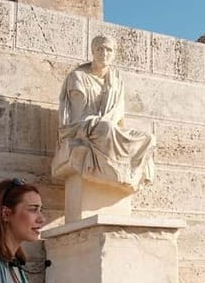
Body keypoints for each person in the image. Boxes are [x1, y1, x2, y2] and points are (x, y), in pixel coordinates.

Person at [51, 35, 155, 189]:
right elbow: (77, 117)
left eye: (109, 50)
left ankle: (130, 170)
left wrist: (109, 123)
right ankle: (116, 168)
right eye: (100, 49)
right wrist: (100, 122)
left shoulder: (116, 81)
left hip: (108, 126)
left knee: (148, 138)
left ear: (114, 54)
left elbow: (118, 113)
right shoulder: (78, 77)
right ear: (93, 51)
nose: (104, 53)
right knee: (106, 127)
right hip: (83, 127)